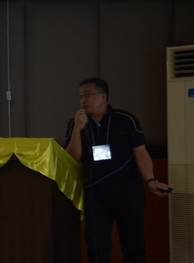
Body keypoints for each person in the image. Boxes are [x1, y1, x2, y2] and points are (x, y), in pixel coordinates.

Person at [64, 78, 171, 263]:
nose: (83, 100)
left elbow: (141, 153)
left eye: (88, 95)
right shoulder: (76, 123)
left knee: (134, 247)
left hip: (128, 192)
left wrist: (151, 180)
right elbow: (73, 158)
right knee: (98, 248)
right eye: (80, 96)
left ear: (103, 96)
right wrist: (78, 130)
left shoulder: (125, 120)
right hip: (96, 195)